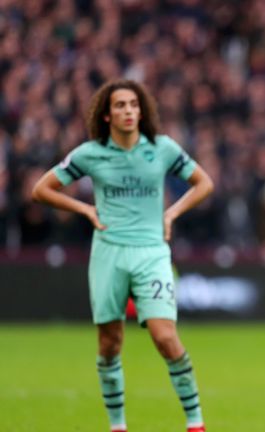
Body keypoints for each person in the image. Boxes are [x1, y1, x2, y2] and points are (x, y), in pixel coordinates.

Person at [32, 79, 214, 432]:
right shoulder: (90, 154)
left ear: (141, 110)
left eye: (133, 104)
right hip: (109, 253)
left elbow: (204, 183)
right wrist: (84, 209)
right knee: (109, 343)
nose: (128, 111)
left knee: (165, 336)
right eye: (120, 105)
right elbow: (41, 190)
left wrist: (172, 213)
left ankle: (196, 424)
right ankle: (118, 426)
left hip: (152, 253)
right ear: (106, 115)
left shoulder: (161, 148)